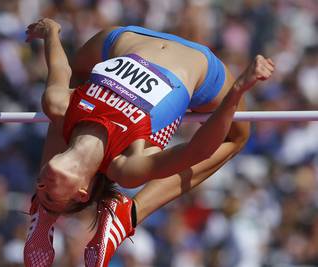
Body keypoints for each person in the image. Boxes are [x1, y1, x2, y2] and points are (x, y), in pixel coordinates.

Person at [23, 18, 275, 267]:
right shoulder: (127, 166)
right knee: (238, 138)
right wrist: (238, 90)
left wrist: (52, 32)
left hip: (125, 38)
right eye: (50, 196)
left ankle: (44, 212)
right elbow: (199, 150)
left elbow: (61, 69)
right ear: (82, 191)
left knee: (68, 94)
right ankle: (128, 215)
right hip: (197, 62)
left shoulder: (59, 105)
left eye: (39, 189)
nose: (42, 183)